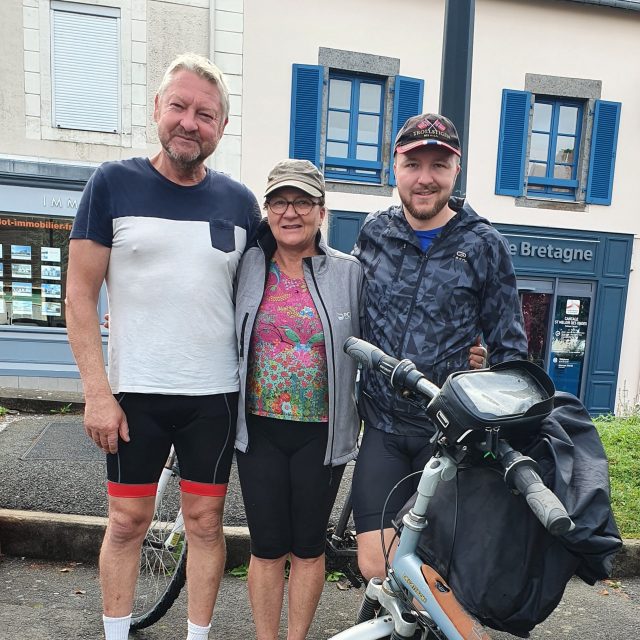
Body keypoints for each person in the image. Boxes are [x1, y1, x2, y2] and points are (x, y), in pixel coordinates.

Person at [65, 53, 261, 640]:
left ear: (221, 128)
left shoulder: (241, 203)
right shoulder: (112, 183)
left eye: (206, 114)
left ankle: (197, 635)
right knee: (127, 521)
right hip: (134, 395)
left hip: (214, 398)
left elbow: (271, 291)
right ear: (156, 109)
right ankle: (117, 633)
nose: (189, 122)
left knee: (205, 523)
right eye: (178, 106)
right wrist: (96, 393)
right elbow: (79, 294)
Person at [351, 113, 528, 581]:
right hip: (383, 427)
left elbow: (510, 347)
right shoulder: (374, 231)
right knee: (376, 564)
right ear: (395, 168)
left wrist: (489, 379)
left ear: (456, 170)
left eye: (438, 165)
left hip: (448, 437)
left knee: (433, 570)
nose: (424, 178)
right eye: (413, 164)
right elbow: (344, 303)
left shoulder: (484, 244)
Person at [233, 159, 362, 640]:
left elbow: (382, 338)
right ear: (266, 211)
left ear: (321, 211)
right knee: (267, 547)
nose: (291, 212)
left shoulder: (349, 273)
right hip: (259, 428)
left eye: (302, 201)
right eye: (280, 202)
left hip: (323, 434)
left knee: (308, 547)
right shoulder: (246, 265)